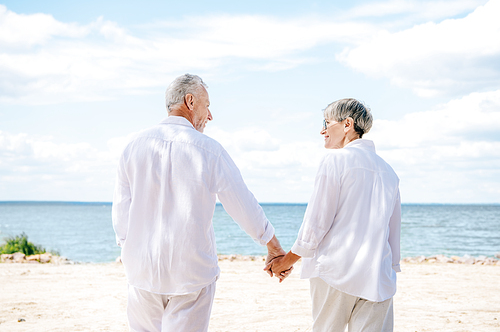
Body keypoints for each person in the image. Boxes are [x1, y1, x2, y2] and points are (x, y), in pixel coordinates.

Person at [112, 73, 285, 332]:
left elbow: (121, 211)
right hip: (190, 273)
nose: (210, 115)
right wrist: (272, 245)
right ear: (190, 101)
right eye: (208, 106)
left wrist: (130, 251)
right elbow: (242, 204)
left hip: (142, 272)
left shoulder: (133, 146)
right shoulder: (209, 150)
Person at [265, 98, 401, 332]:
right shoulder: (388, 171)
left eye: (327, 123)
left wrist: (286, 261)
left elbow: (317, 222)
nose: (322, 130)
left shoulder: (335, 160)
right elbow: (393, 231)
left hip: (335, 272)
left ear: (347, 124)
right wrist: (391, 266)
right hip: (378, 275)